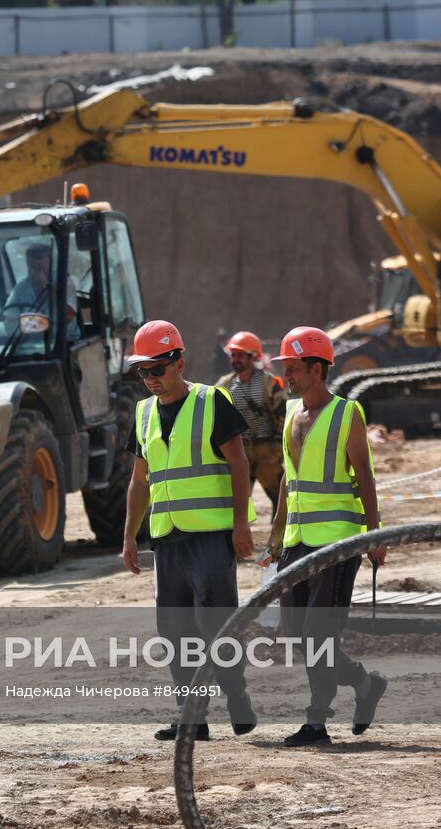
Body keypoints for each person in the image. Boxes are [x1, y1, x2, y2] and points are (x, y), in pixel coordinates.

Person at [120, 320, 258, 741]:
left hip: (213, 537)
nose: (150, 379)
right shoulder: (144, 413)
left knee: (215, 625)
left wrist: (240, 525)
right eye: (142, 372)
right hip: (167, 539)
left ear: (179, 361)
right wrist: (129, 536)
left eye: (157, 369)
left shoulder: (210, 401)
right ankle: (191, 715)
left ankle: (236, 696)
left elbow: (239, 463)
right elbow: (139, 480)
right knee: (175, 631)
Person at [263, 325, 388, 748]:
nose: (287, 377)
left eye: (294, 368)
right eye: (284, 369)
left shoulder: (346, 413)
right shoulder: (290, 415)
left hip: (337, 541)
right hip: (297, 540)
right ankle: (364, 683)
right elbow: (288, 478)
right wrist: (277, 532)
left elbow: (365, 477)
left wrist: (374, 534)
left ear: (317, 368)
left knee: (320, 635)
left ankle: (317, 720)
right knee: (296, 633)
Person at [215, 331, 286, 515]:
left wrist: (278, 443)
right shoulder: (224, 385)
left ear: (252, 356)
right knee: (236, 504)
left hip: (266, 451)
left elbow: (283, 414)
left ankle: (280, 540)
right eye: (233, 355)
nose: (235, 359)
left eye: (240, 355)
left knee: (280, 501)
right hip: (239, 450)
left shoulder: (268, 382)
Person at [2, 242, 79, 342]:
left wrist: (48, 290)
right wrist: (38, 325)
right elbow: (10, 322)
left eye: (42, 269)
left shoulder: (64, 283)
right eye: (34, 269)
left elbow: (67, 317)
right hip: (30, 343)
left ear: (50, 265)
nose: (38, 273)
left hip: (64, 342)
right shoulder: (21, 288)